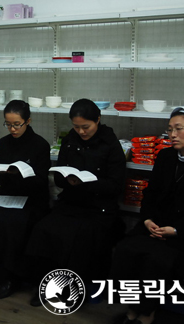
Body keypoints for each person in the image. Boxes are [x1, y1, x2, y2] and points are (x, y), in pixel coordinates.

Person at [110, 106, 184, 324]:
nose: (172, 135)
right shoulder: (166, 156)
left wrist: (177, 230)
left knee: (158, 259)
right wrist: (148, 219)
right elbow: (151, 194)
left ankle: (146, 314)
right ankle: (132, 307)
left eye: (179, 129)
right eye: (170, 129)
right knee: (126, 249)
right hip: (157, 224)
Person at [27, 98, 126, 306]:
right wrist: (66, 179)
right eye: (76, 126)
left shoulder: (110, 143)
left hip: (99, 208)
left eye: (86, 127)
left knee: (79, 236)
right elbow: (60, 173)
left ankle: (71, 289)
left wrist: (87, 184)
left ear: (98, 120)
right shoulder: (70, 139)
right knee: (43, 229)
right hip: (71, 203)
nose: (81, 131)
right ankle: (45, 284)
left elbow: (116, 185)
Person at [0, 100, 51, 299]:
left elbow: (42, 181)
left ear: (28, 121)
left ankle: (11, 277)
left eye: (17, 124)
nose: (13, 129)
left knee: (13, 224)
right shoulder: (4, 143)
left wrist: (19, 176)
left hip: (32, 198)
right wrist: (7, 175)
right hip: (8, 195)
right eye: (8, 124)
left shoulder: (40, 144)